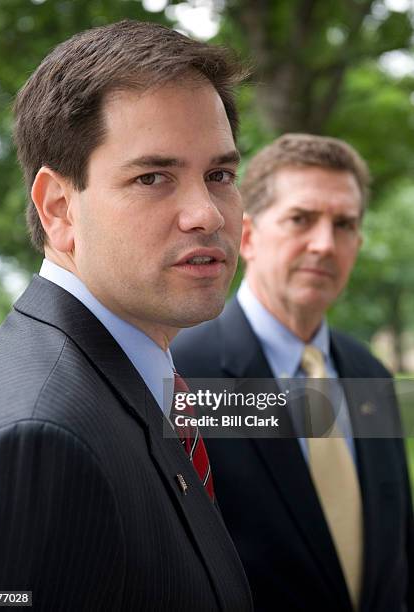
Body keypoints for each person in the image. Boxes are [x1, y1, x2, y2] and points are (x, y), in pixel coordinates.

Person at [0, 21, 253, 611]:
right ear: (59, 208)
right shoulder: (41, 438)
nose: (206, 213)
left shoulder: (126, 380)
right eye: (153, 178)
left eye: (219, 175)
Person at [172, 133, 414, 612]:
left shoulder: (371, 375)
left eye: (343, 225)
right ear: (248, 235)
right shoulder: (185, 372)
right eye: (301, 219)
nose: (325, 244)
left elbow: (397, 542)